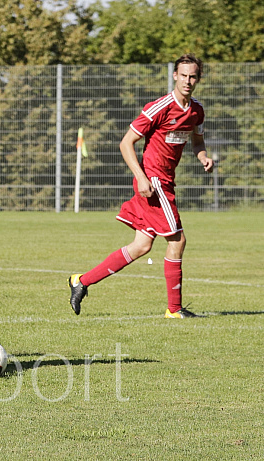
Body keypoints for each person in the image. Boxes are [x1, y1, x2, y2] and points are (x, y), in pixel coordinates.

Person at [68, 54, 214, 319]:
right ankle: (174, 309)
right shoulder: (159, 107)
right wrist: (142, 177)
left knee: (141, 246)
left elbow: (197, 142)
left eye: (193, 76)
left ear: (198, 78)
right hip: (153, 180)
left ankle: (82, 281)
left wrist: (203, 157)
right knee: (177, 240)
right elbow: (126, 143)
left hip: (166, 181)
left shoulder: (197, 111)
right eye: (183, 75)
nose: (188, 81)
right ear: (175, 76)